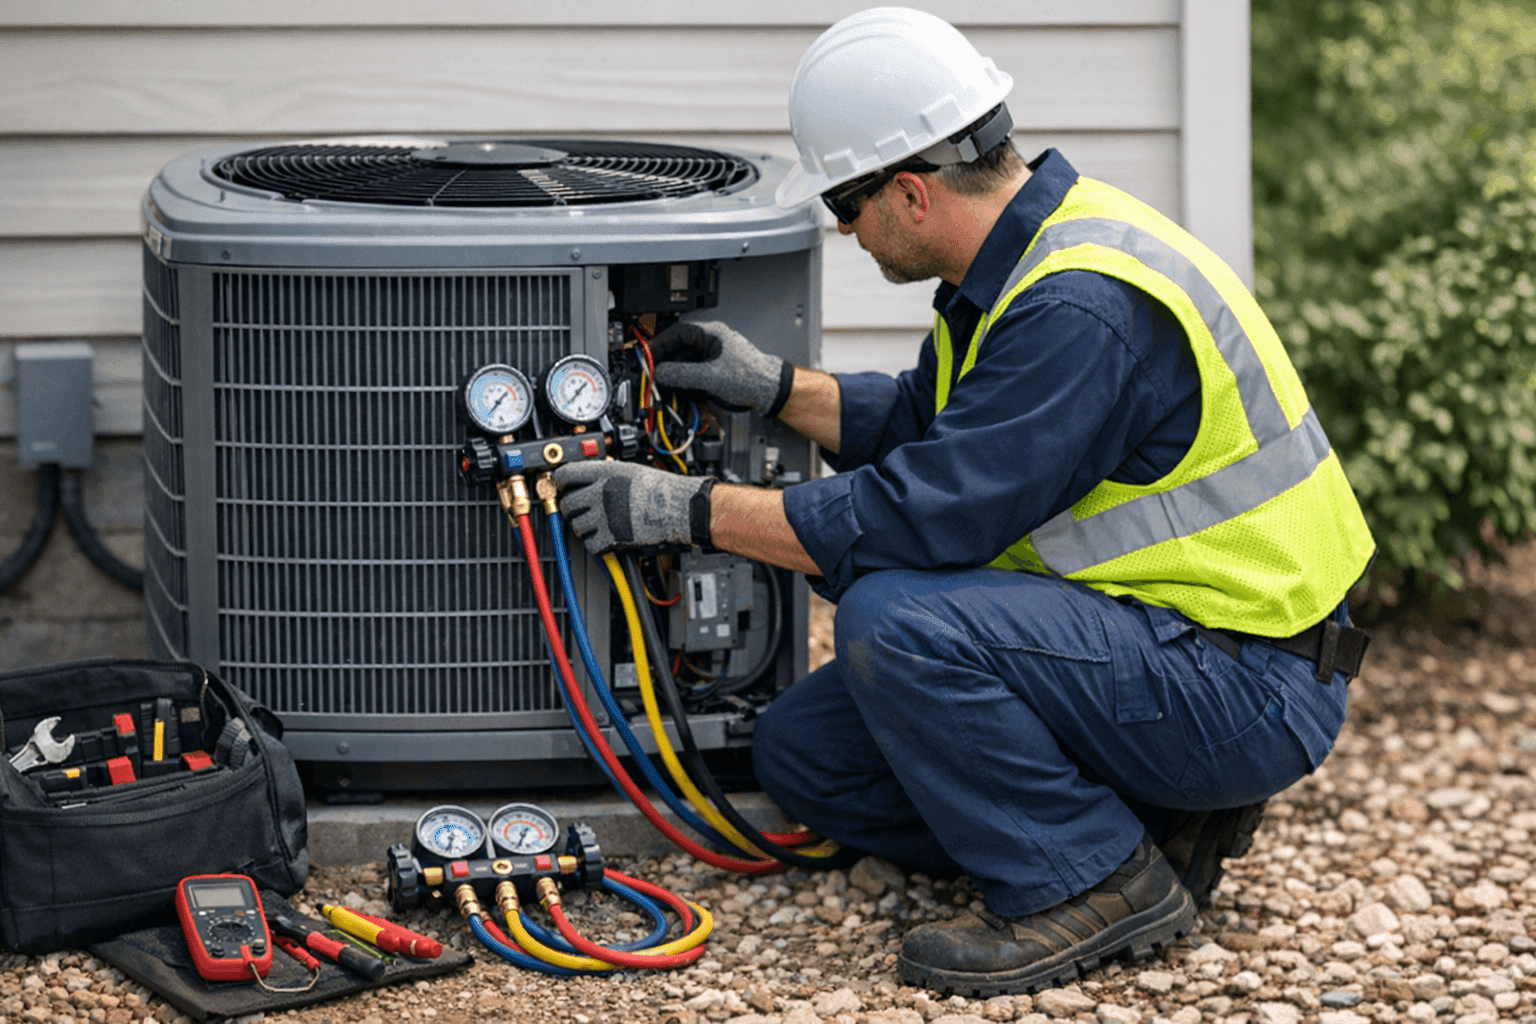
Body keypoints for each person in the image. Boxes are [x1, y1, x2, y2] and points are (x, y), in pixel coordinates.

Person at [553, 6, 1375, 996]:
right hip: (1172, 643)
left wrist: (688, 509)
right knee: (805, 756)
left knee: (895, 620)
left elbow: (922, 514)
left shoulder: (1080, 306)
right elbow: (935, 421)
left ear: (909, 191)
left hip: (1245, 681)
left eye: (846, 205)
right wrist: (774, 386)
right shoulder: (1027, 260)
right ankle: (1154, 828)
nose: (844, 230)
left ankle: (1090, 879)